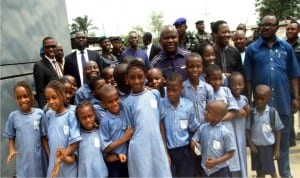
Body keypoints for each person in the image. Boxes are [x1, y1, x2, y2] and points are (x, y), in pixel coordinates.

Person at [244, 14, 300, 177]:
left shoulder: (286, 48)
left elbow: (294, 74)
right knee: (262, 145)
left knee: (282, 145)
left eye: (269, 25)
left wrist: (296, 97)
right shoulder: (252, 49)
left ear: (276, 27)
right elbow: (248, 77)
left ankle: (285, 174)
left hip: (283, 102)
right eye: (263, 24)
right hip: (260, 108)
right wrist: (250, 100)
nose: (266, 27)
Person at [122, 59, 172, 177]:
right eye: (132, 77)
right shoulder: (127, 103)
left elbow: (160, 123)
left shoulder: (155, 94)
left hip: (157, 146)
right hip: (139, 150)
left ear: (145, 77)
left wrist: (165, 150)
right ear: (127, 79)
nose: (136, 81)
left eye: (140, 77)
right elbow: (130, 130)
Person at [3, 81, 47, 177]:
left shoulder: (39, 113)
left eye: (25, 96)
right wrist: (11, 150)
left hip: (38, 157)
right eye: (19, 98)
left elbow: (43, 137)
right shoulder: (13, 116)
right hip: (23, 158)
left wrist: (49, 154)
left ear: (32, 96)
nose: (23, 100)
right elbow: (11, 136)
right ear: (15, 99)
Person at [161, 72, 200, 177]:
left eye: (174, 90)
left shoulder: (188, 106)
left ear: (181, 89)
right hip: (168, 151)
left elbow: (194, 127)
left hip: (185, 150)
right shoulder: (161, 105)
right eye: (168, 90)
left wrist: (193, 140)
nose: (170, 93)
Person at [205, 64, 241, 176]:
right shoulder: (206, 91)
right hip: (213, 134)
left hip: (227, 130)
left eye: (220, 78)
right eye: (214, 79)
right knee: (217, 159)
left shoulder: (226, 91)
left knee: (230, 159)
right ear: (207, 79)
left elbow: (234, 111)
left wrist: (218, 119)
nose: (217, 82)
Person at [41, 80, 81, 177]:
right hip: (53, 165)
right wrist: (51, 155)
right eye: (48, 99)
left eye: (54, 97)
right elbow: (45, 138)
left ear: (63, 96)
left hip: (68, 166)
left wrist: (60, 158)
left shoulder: (71, 116)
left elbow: (75, 142)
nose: (51, 102)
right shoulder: (49, 115)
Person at [191, 100, 236, 177]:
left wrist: (217, 161)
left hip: (220, 170)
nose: (205, 113)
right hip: (205, 169)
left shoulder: (225, 132)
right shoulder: (202, 128)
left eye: (208, 111)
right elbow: (194, 139)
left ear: (217, 117)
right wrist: (193, 143)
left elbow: (231, 153)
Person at [246, 84, 284, 178]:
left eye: (262, 99)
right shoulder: (252, 113)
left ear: (269, 98)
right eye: (257, 98)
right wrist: (251, 145)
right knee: (259, 171)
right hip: (256, 148)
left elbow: (278, 130)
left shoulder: (272, 112)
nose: (259, 101)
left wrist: (277, 149)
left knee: (271, 171)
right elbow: (247, 130)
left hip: (268, 147)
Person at [99, 84, 134, 177]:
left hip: (130, 158)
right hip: (115, 162)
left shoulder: (124, 110)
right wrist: (125, 138)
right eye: (110, 102)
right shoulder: (105, 121)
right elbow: (106, 148)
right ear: (103, 104)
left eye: (116, 99)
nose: (115, 103)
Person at [75, 101, 108, 177]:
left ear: (95, 115)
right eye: (84, 118)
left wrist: (118, 156)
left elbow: (106, 154)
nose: (88, 120)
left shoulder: (101, 133)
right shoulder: (77, 137)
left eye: (90, 116)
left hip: (101, 175)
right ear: (79, 119)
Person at [228, 72, 250, 177]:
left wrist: (248, 110)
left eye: (240, 84)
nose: (237, 87)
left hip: (241, 136)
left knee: (242, 158)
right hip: (231, 136)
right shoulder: (227, 100)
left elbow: (247, 115)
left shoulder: (244, 99)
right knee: (233, 160)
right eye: (234, 84)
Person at [182, 52, 214, 124]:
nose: (195, 69)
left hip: (205, 126)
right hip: (189, 128)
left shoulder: (208, 88)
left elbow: (211, 109)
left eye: (198, 66)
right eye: (191, 67)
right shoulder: (182, 88)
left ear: (202, 68)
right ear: (186, 69)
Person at [33, 36, 63, 108]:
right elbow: (40, 91)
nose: (51, 49)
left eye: (53, 46)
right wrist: (44, 108)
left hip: (61, 103)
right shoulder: (39, 66)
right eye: (48, 47)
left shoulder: (58, 64)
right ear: (44, 49)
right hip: (51, 106)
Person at [286, 21, 300, 143]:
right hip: (289, 83)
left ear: (298, 31)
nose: (290, 31)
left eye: (293, 29)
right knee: (290, 109)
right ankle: (291, 138)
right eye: (288, 29)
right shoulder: (282, 45)